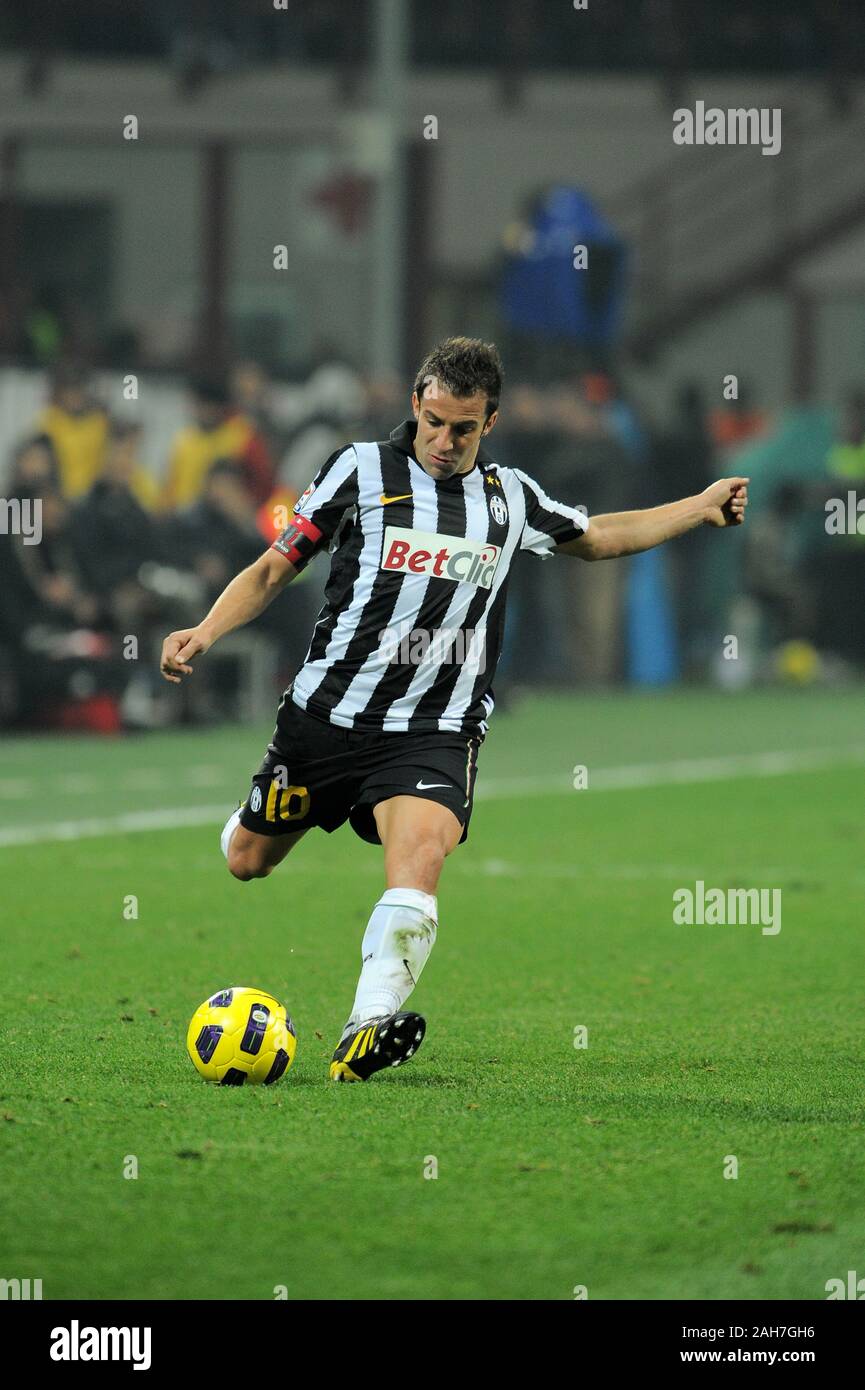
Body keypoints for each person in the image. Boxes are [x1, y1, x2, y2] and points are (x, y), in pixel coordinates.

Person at [159, 337, 749, 1083]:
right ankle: (257, 818)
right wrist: (204, 631)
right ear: (415, 403)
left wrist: (696, 508)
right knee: (248, 861)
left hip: (433, 731)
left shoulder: (510, 499)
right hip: (326, 719)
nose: (443, 441)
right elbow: (278, 564)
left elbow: (597, 537)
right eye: (433, 421)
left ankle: (364, 1028)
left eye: (462, 428)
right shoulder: (359, 470)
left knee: (420, 859)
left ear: (489, 423)